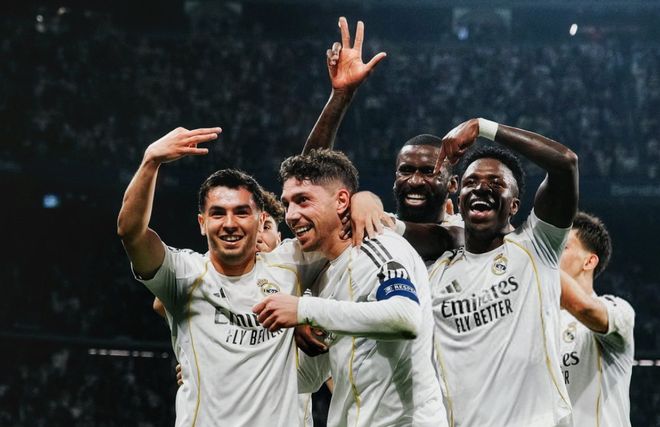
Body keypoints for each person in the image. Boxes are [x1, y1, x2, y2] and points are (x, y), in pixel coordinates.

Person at [117, 127, 321, 426]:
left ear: (260, 220)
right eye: (217, 213)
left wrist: (365, 201)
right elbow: (131, 233)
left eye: (241, 212)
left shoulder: (290, 266)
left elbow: (315, 187)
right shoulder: (183, 274)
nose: (229, 223)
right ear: (202, 223)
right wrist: (151, 161)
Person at [253, 149, 448, 427]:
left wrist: (303, 308)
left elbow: (406, 316)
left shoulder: (378, 245)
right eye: (287, 204)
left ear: (342, 200)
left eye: (303, 200)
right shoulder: (323, 275)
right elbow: (309, 378)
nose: (292, 215)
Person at [428, 118, 579, 426]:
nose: (481, 187)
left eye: (496, 183)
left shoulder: (537, 245)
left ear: (514, 206)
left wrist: (482, 127)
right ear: (459, 200)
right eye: (471, 182)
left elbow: (565, 164)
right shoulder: (436, 272)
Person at [303, 16, 461, 260]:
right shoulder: (365, 227)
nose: (415, 181)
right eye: (406, 170)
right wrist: (341, 95)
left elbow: (441, 239)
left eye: (429, 171)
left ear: (452, 184)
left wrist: (372, 208)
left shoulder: (466, 233)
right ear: (394, 179)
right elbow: (309, 178)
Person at [559, 211, 635, 427]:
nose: (551, 252)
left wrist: (539, 255)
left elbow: (584, 308)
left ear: (589, 261)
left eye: (562, 246)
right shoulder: (534, 323)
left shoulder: (619, 310)